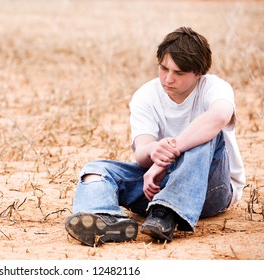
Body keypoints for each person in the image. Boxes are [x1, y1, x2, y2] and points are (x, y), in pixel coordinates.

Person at [65, 27, 246, 246]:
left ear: (198, 73)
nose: (168, 78)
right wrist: (154, 151)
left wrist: (169, 153)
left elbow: (219, 116)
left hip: (211, 191)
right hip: (156, 187)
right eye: (163, 68)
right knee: (94, 170)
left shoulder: (214, 87)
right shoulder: (146, 95)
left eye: (179, 73)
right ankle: (106, 218)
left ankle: (166, 210)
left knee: (208, 135)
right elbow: (142, 154)